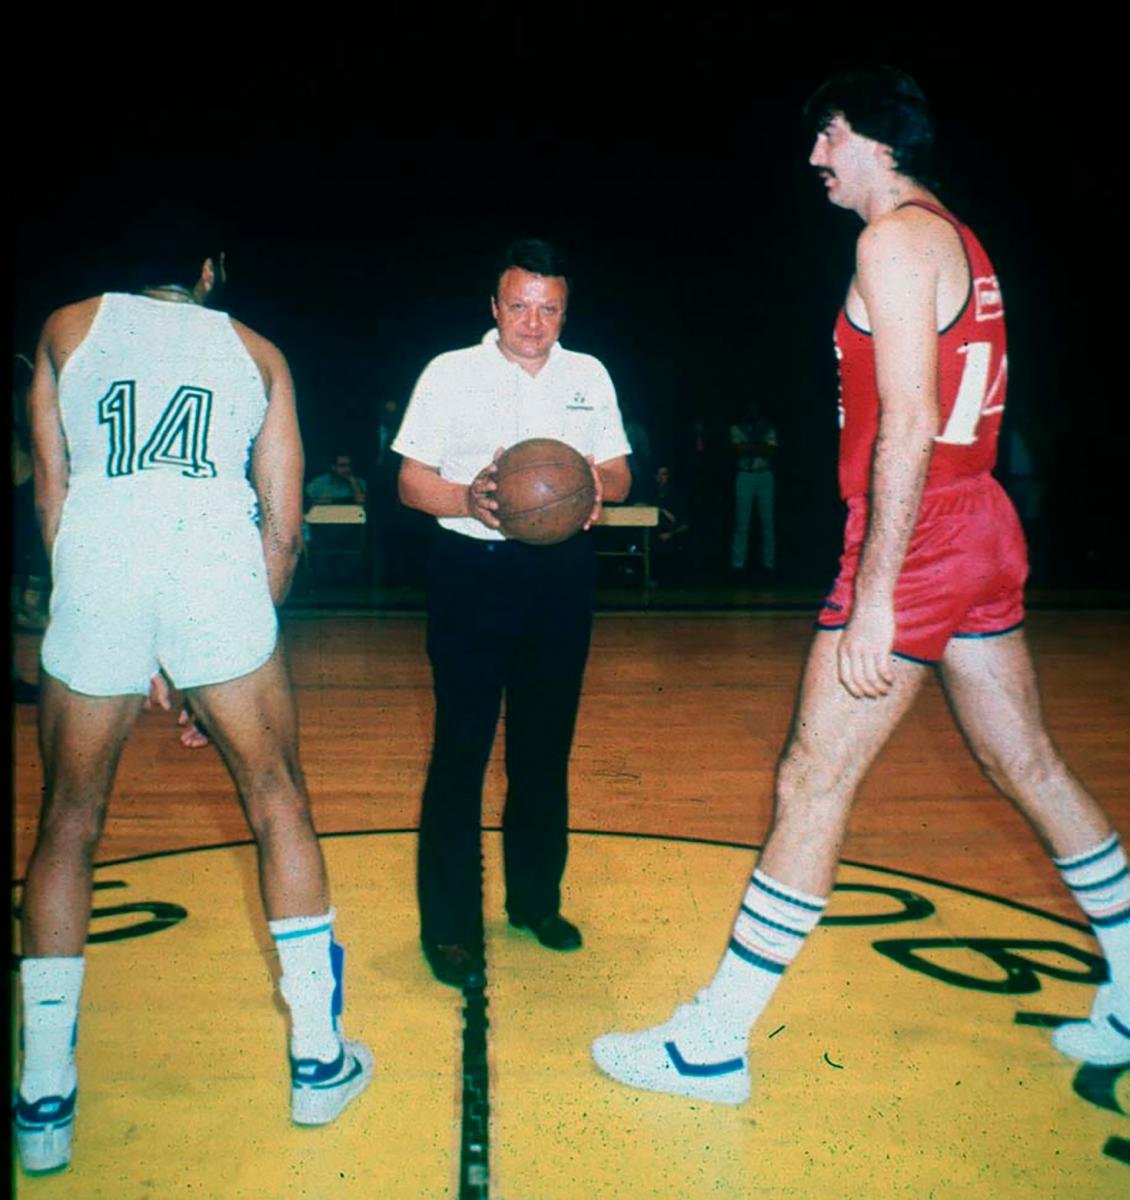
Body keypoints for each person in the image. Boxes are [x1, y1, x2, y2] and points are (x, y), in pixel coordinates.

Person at [591, 66, 1128, 1104]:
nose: (813, 158)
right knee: (1025, 761)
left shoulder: (891, 240)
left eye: (826, 136)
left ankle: (712, 1043)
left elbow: (909, 423)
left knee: (811, 779)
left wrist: (876, 592)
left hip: (919, 531)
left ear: (873, 139)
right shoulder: (958, 236)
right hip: (977, 519)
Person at [15, 222, 372, 1174]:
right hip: (214, 571)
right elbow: (283, 529)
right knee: (278, 800)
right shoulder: (258, 352)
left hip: (100, 563)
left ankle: (44, 1098)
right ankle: (318, 1060)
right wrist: (217, 650)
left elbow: (51, 493)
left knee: (66, 822)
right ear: (209, 270)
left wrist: (116, 623)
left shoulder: (65, 328)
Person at [394, 237, 632, 988]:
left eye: (549, 309)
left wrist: (592, 485)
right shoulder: (449, 372)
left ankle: (535, 901)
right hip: (471, 572)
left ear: (565, 311)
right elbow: (409, 482)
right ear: (494, 307)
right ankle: (450, 930)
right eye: (520, 306)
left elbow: (620, 472)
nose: (534, 322)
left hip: (561, 577)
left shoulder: (588, 375)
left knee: (544, 750)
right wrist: (469, 499)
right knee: (461, 753)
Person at [728, 400, 778, 575]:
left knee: (767, 521)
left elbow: (772, 451)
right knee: (741, 522)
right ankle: (738, 564)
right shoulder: (737, 428)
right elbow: (738, 449)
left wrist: (750, 446)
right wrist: (760, 446)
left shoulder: (768, 428)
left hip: (764, 473)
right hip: (745, 474)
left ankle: (769, 563)